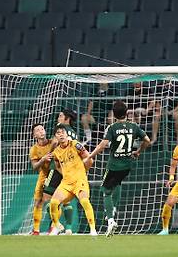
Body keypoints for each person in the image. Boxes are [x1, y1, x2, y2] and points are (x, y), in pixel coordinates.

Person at [86, 100, 151, 236]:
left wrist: (89, 156)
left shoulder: (112, 127)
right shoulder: (134, 126)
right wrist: (138, 151)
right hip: (127, 165)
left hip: (114, 165)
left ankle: (111, 220)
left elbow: (102, 145)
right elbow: (147, 140)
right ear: (126, 113)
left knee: (106, 191)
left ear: (114, 114)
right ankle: (114, 208)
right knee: (118, 183)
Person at [49, 125, 97, 236]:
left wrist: (84, 171)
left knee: (84, 201)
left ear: (67, 134)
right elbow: (57, 165)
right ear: (55, 136)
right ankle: (56, 226)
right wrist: (65, 174)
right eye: (58, 133)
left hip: (80, 180)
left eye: (62, 132)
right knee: (53, 203)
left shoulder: (75, 144)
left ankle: (93, 230)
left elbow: (89, 158)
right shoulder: (56, 152)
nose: (61, 135)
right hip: (66, 183)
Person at [42, 109, 80, 234]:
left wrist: (50, 152)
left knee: (48, 198)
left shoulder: (60, 127)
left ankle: (54, 226)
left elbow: (54, 142)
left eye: (60, 116)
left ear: (67, 118)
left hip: (58, 167)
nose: (58, 118)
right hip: (69, 169)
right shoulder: (74, 133)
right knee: (66, 200)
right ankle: (68, 227)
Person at [28, 123, 54, 235]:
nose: (41, 131)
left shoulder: (54, 142)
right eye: (38, 130)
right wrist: (43, 159)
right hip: (43, 175)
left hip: (55, 174)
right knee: (38, 201)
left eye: (42, 129)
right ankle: (36, 230)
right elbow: (34, 166)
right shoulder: (34, 149)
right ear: (34, 135)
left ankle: (54, 227)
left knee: (55, 202)